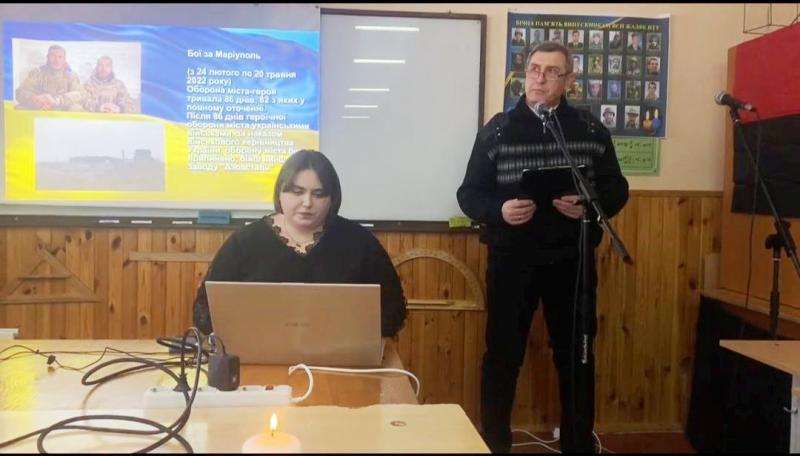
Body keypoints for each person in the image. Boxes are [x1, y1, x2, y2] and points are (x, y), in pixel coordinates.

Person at [456, 42, 629, 454]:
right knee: (502, 356)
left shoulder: (589, 130)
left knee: (577, 357)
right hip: (511, 261)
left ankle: (577, 444)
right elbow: (469, 194)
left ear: (568, 81)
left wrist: (588, 205)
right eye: (534, 69)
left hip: (572, 260)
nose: (540, 78)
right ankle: (494, 444)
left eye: (552, 71)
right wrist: (499, 210)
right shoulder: (497, 131)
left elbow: (617, 188)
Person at [193, 150, 408, 339]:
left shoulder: (360, 242)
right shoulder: (244, 242)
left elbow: (393, 310)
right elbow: (205, 312)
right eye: (297, 192)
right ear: (280, 193)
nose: (307, 203)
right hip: (260, 356)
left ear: (332, 198)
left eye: (318, 194)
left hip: (341, 359)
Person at [15, 44, 86, 111]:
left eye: (60, 57)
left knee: (76, 108)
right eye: (53, 56)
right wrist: (35, 99)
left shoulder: (71, 75)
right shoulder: (37, 73)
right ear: (48, 57)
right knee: (19, 108)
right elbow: (20, 92)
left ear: (64, 59)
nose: (56, 60)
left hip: (62, 108)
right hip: (40, 107)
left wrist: (57, 101)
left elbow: (80, 94)